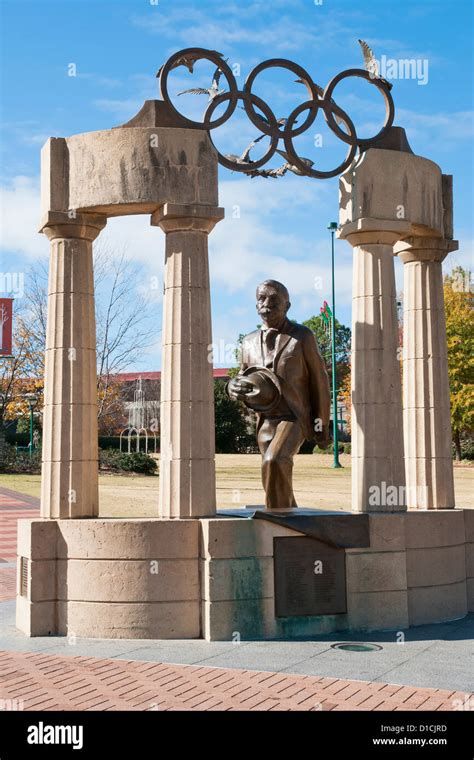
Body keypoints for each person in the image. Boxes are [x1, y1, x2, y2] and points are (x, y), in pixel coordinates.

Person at [227, 279, 331, 510]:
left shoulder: (303, 336)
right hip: (264, 417)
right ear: (256, 305)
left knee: (275, 460)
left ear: (287, 306)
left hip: (294, 416)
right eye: (261, 299)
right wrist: (231, 387)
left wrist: (321, 424)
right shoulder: (248, 341)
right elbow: (243, 376)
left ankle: (276, 525)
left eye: (274, 300)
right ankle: (291, 517)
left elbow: (320, 382)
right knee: (273, 472)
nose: (267, 304)